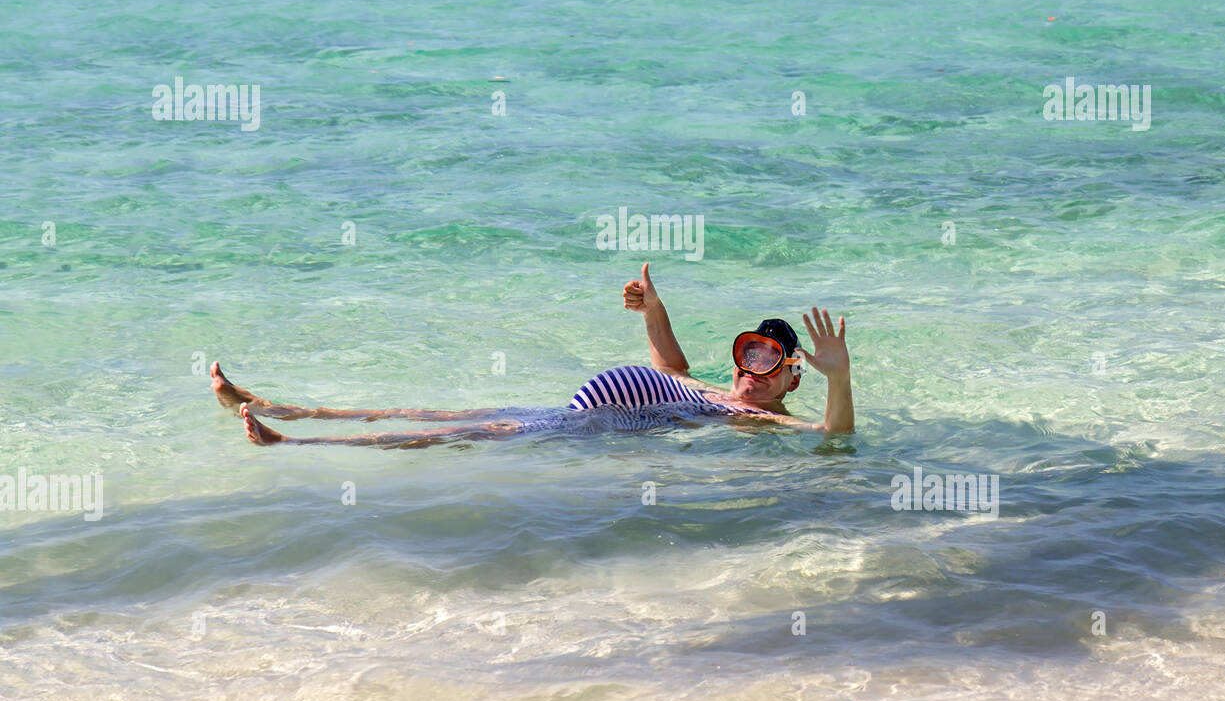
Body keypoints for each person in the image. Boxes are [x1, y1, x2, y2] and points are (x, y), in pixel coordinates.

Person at [219, 263, 853, 447]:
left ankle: (296, 443)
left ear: (789, 378)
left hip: (591, 424)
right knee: (436, 411)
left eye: (770, 361)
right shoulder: (713, 389)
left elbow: (831, 435)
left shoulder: (760, 418)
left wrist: (839, 377)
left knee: (475, 433)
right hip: (567, 407)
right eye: (748, 353)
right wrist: (652, 308)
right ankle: (285, 407)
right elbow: (670, 365)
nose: (751, 369)